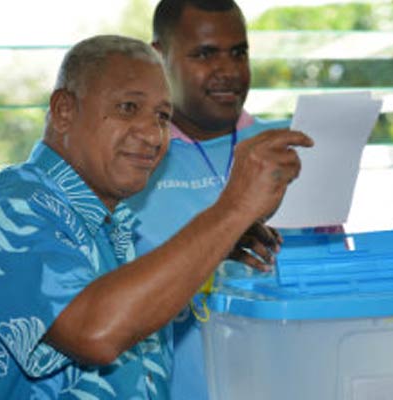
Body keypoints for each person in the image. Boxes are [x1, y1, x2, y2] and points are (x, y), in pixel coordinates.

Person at [0, 34, 312, 399]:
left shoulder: (114, 227)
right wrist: (231, 212)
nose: (152, 135)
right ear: (65, 110)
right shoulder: (7, 207)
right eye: (128, 108)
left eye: (163, 117)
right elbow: (94, 332)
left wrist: (218, 246)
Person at [126, 1, 341, 399]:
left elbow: (333, 295)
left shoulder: (286, 148)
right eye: (205, 54)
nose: (228, 71)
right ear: (159, 56)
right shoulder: (129, 162)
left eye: (239, 52)